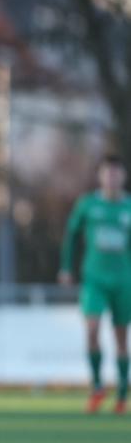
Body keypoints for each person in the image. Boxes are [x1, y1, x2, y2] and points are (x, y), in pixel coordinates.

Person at [60, 155, 131, 415]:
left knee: (121, 337)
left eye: (116, 173)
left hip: (124, 280)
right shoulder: (88, 205)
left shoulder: (128, 207)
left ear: (123, 176)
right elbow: (71, 235)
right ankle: (98, 386)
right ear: (100, 176)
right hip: (94, 279)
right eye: (107, 173)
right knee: (91, 329)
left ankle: (122, 391)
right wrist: (66, 267)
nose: (111, 178)